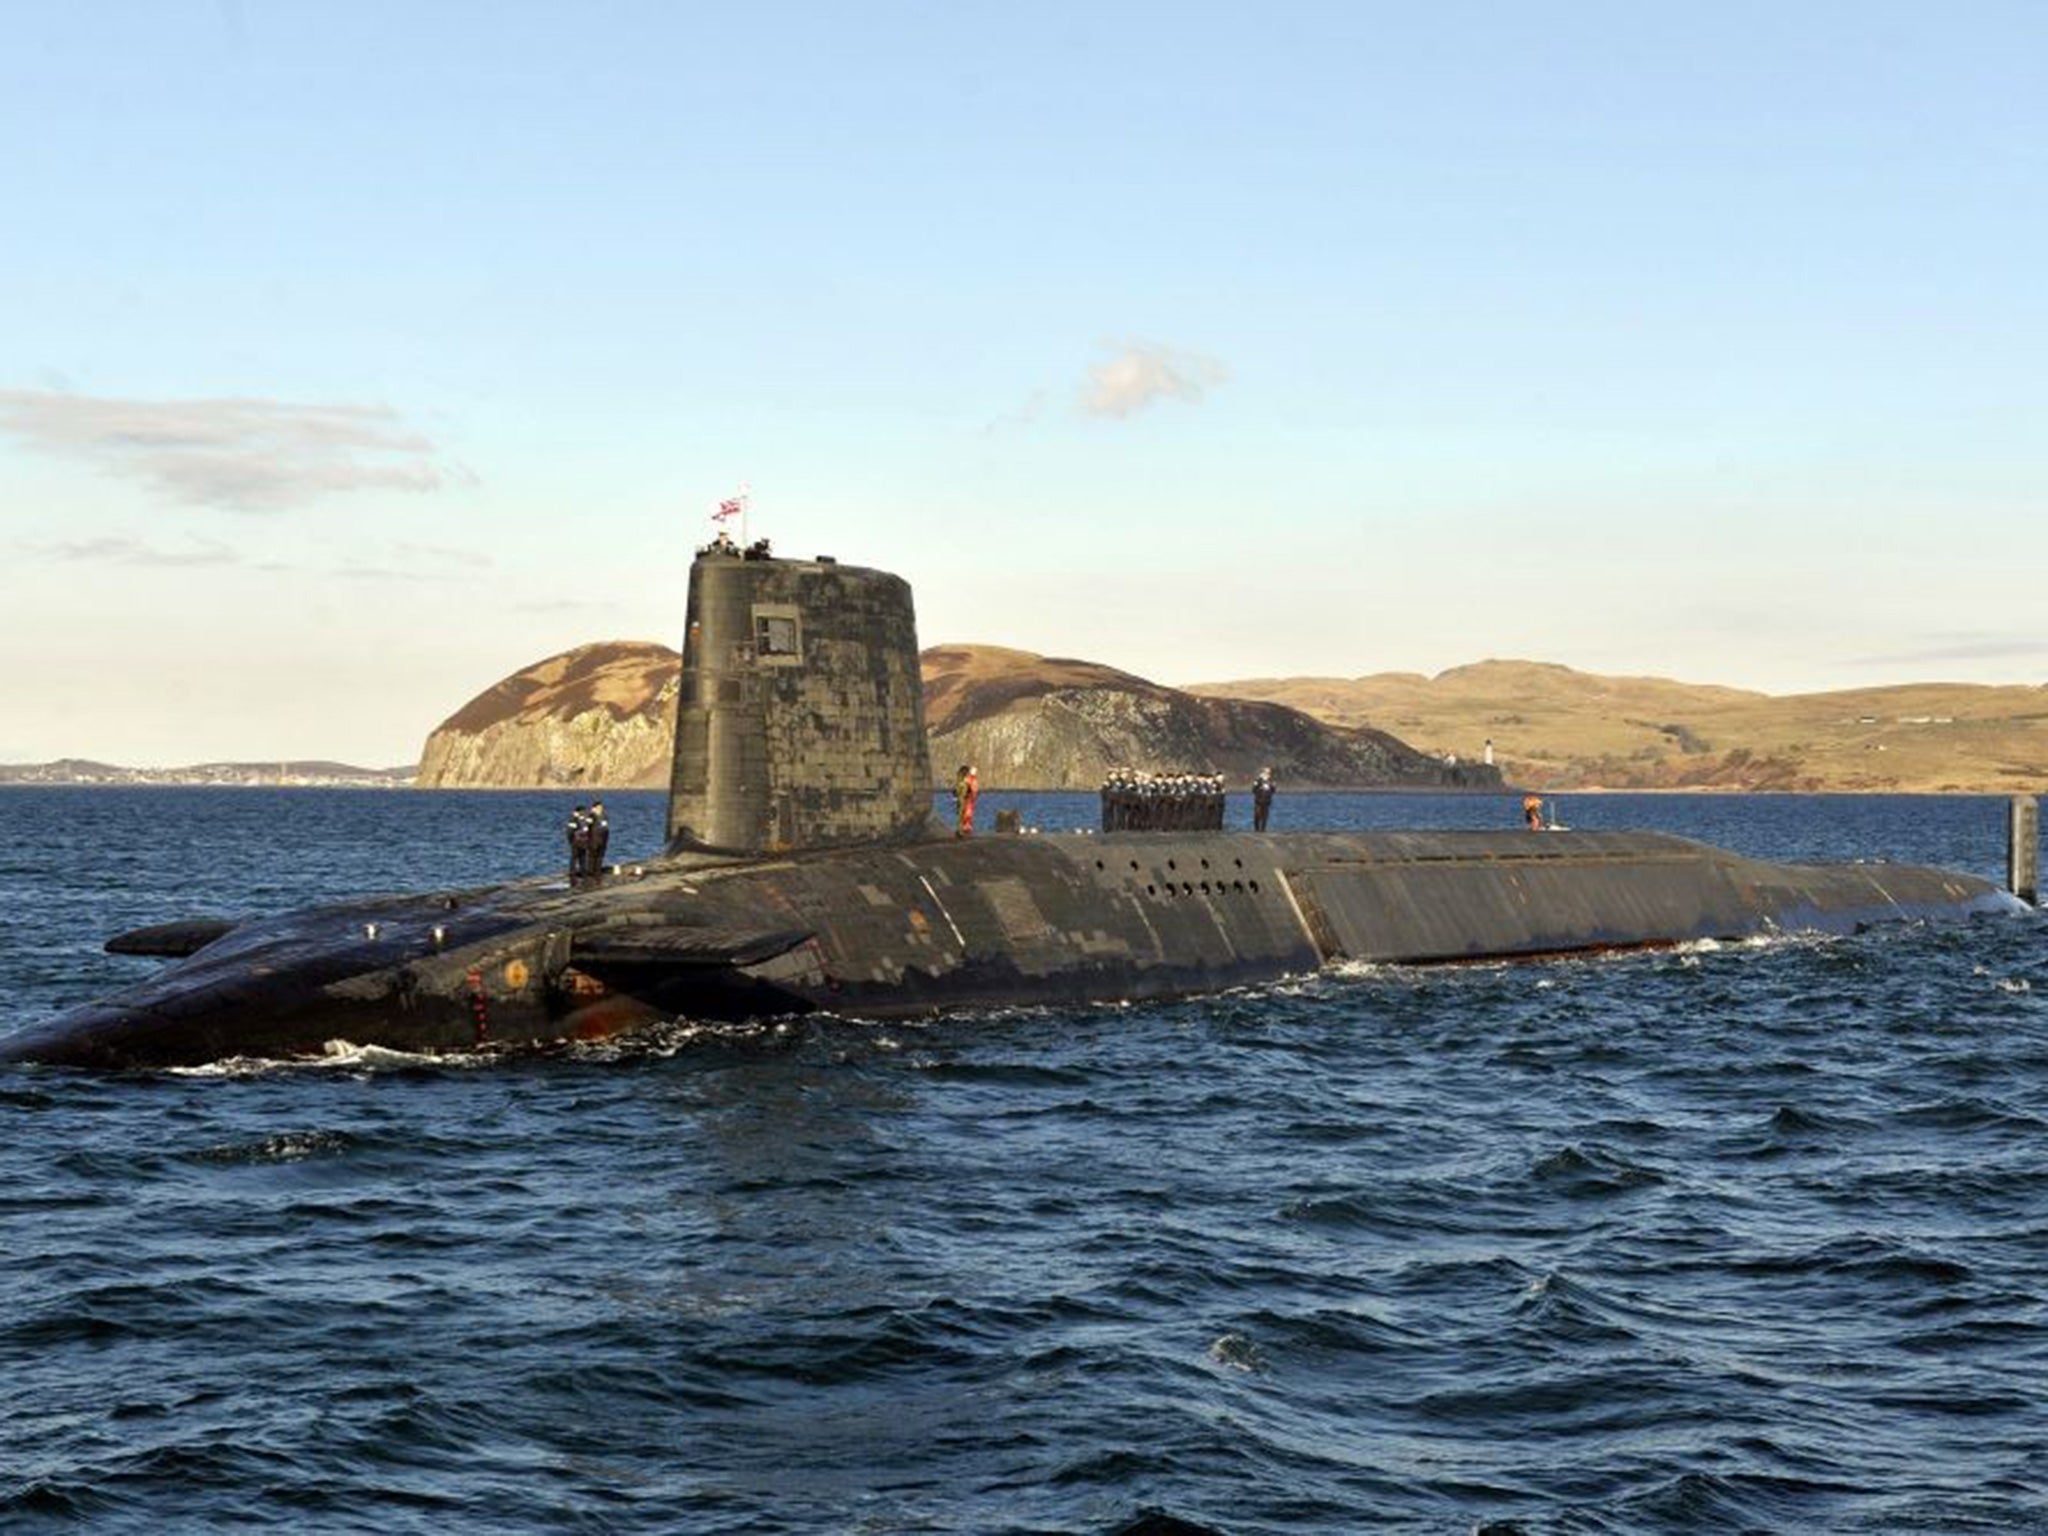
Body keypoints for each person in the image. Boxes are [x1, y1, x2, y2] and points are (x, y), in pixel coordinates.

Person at [587, 799, 610, 877]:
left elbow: (606, 828)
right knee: (592, 856)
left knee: (600, 856)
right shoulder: (591, 816)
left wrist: (606, 839)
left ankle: (598, 871)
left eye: (601, 808)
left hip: (603, 839)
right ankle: (591, 872)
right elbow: (587, 827)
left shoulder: (604, 816)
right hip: (593, 839)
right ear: (594, 808)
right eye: (599, 808)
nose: (600, 809)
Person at [566, 803, 590, 880]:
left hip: (584, 841)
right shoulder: (573, 820)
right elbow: (569, 832)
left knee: (583, 857)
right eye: (582, 812)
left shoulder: (584, 821)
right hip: (576, 841)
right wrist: (571, 841)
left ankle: (583, 872)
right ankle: (572, 872)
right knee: (574, 858)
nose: (583, 813)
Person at [954, 764, 979, 836]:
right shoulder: (964, 781)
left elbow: (957, 791)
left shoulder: (961, 781)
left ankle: (962, 829)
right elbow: (969, 789)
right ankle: (961, 829)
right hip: (964, 799)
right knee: (963, 814)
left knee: (962, 814)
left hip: (963, 798)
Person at [1252, 768, 1276, 832]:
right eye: (1266, 772)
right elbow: (1253, 790)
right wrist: (1260, 786)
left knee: (1265, 817)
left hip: (1267, 801)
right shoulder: (1258, 780)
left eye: (1269, 773)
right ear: (1263, 773)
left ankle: (1263, 829)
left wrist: (1272, 787)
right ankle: (1256, 829)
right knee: (1257, 815)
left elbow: (1273, 791)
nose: (1267, 774)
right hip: (1258, 801)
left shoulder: (1271, 781)